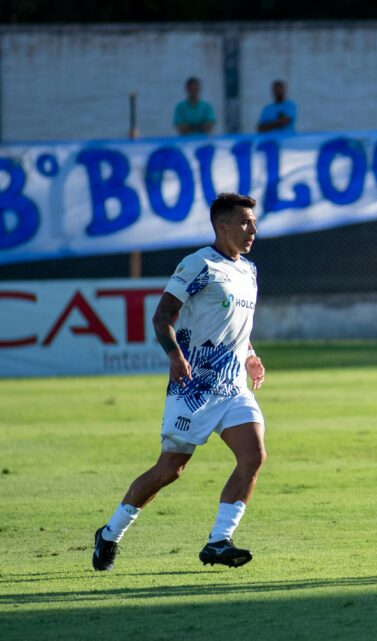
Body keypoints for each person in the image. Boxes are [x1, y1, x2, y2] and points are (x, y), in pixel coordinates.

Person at [92, 192, 267, 571]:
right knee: (170, 470)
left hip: (232, 386)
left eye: (253, 222)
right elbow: (161, 316)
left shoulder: (249, 270)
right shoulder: (198, 264)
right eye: (244, 222)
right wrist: (174, 355)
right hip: (193, 389)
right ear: (221, 226)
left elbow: (235, 327)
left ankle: (219, 541)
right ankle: (110, 533)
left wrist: (250, 356)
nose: (252, 228)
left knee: (253, 456)